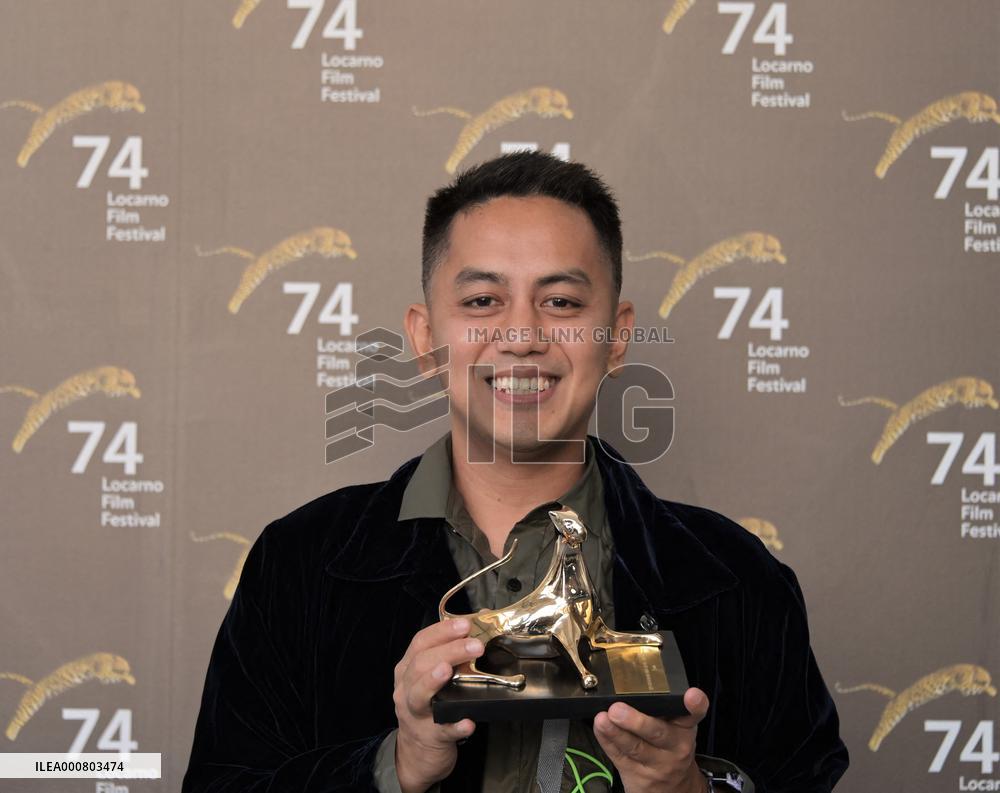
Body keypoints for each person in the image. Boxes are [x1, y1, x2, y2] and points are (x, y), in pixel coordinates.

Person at [182, 151, 849, 793]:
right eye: (481, 303)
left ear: (617, 337)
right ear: (422, 338)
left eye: (560, 302)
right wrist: (396, 765)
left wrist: (687, 788)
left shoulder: (736, 579)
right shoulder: (299, 564)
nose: (523, 334)